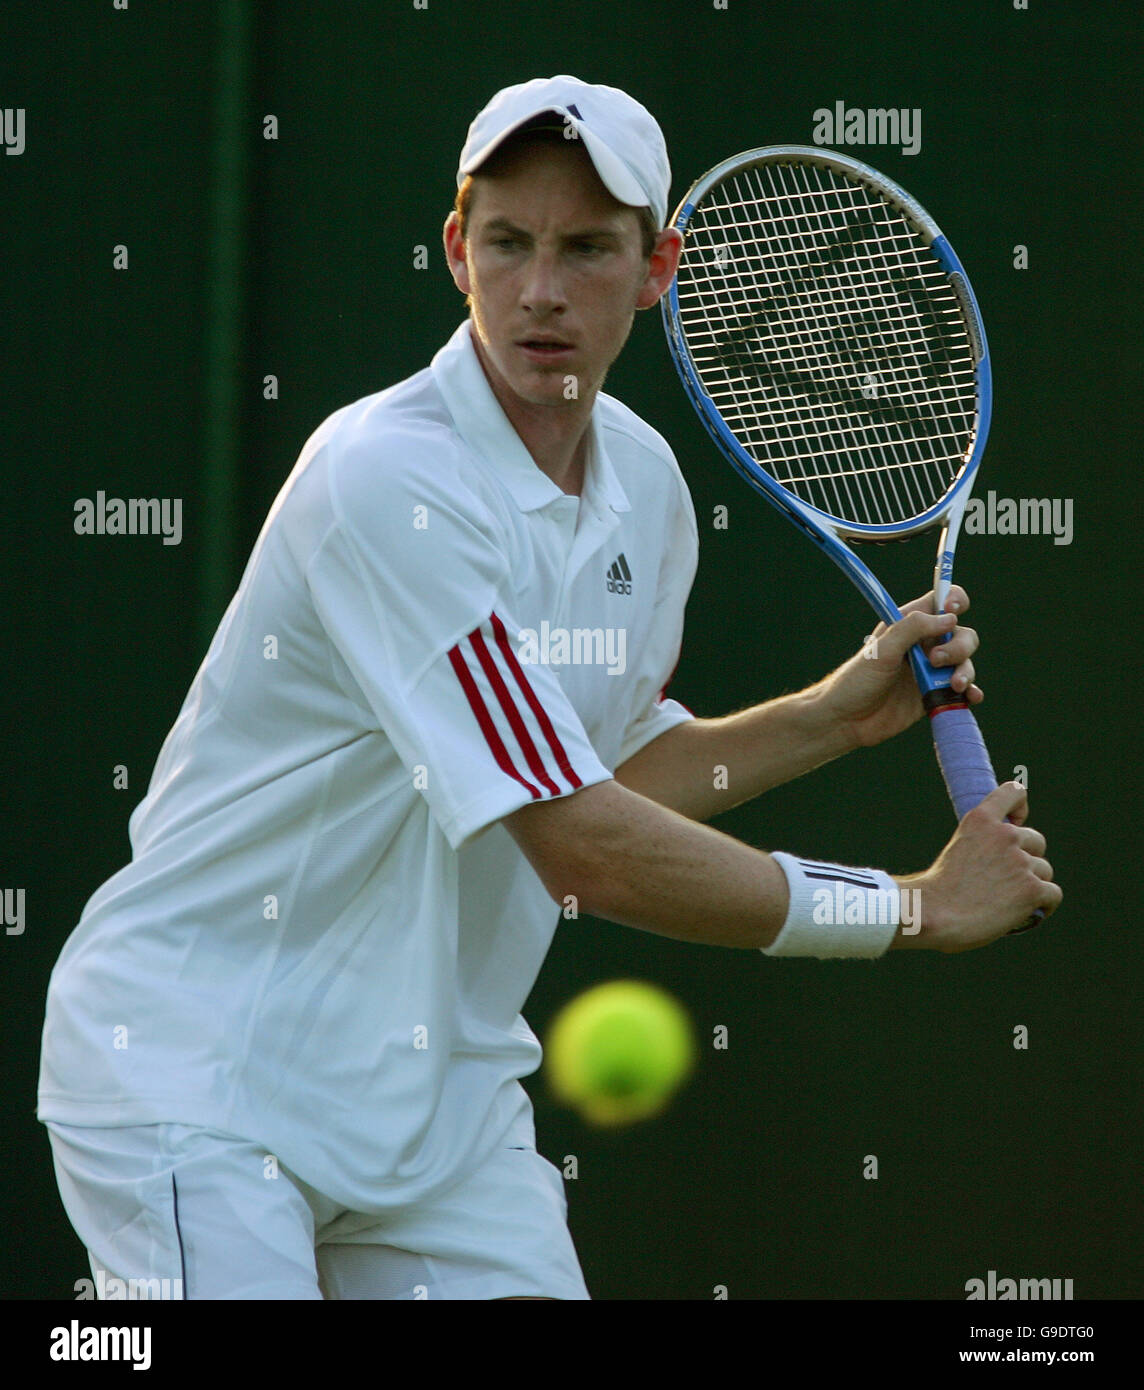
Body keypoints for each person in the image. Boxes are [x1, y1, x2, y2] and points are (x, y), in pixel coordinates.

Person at [37, 75, 1060, 1302]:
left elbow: (605, 771)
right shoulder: (385, 482)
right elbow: (584, 846)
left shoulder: (646, 486)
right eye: (509, 243)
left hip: (437, 1119)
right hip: (205, 1080)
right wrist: (907, 907)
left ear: (657, 267)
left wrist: (833, 715)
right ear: (457, 248)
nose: (540, 291)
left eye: (585, 249)